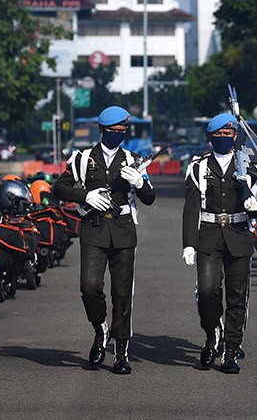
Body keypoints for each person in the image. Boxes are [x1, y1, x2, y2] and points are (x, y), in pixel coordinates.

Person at [52, 106, 156, 375]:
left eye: (122, 131)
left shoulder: (134, 159)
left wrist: (140, 182)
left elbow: (149, 198)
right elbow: (59, 187)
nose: (117, 135)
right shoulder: (83, 159)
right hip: (94, 228)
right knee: (89, 286)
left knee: (122, 294)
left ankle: (121, 352)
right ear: (101, 130)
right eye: (113, 131)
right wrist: (84, 196)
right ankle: (100, 329)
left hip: (123, 230)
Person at [182, 113, 257, 374]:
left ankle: (231, 351)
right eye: (217, 135)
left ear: (235, 137)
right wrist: (188, 243)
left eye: (227, 135)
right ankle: (211, 335)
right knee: (207, 292)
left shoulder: (249, 166)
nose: (222, 138)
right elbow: (190, 208)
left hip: (238, 235)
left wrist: (255, 208)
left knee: (237, 297)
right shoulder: (198, 167)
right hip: (208, 235)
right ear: (210, 137)